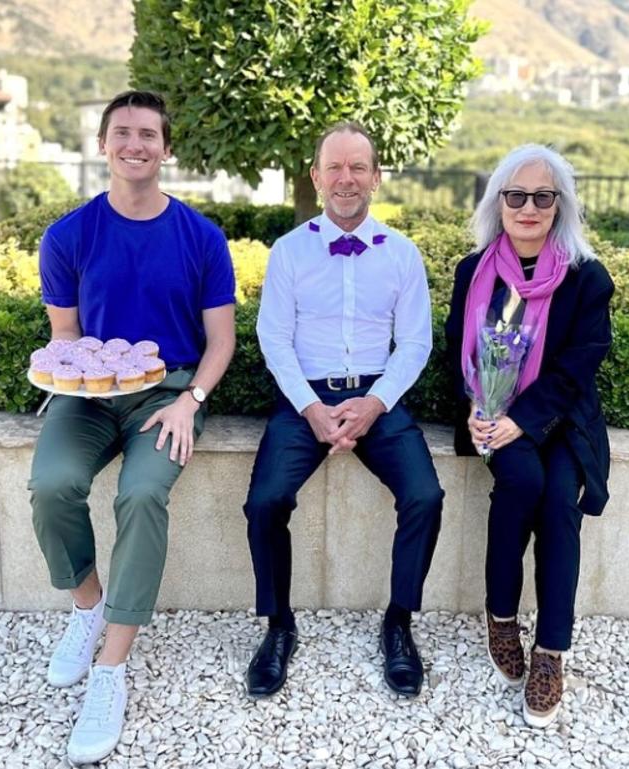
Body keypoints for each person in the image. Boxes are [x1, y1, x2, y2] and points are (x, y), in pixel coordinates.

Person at [29, 90, 236, 764]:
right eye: (122, 133)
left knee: (142, 494)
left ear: (166, 148)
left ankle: (110, 670)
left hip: (167, 395)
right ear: (103, 144)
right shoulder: (68, 236)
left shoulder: (201, 237)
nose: (135, 144)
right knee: (52, 483)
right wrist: (69, 384)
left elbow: (221, 340)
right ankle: (87, 604)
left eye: (148, 134)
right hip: (90, 392)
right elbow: (66, 336)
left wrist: (190, 400)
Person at [243, 122, 444, 699]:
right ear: (316, 176)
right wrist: (310, 408)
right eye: (335, 167)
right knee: (264, 502)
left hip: (379, 400)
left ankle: (399, 621)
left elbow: (415, 343)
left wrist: (376, 402)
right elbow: (274, 338)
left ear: (376, 177)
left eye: (359, 167)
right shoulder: (289, 251)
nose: (347, 178)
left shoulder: (402, 256)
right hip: (304, 400)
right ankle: (279, 625)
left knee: (425, 497)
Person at [444, 144, 614, 728]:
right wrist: (474, 405)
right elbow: (455, 352)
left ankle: (551, 650)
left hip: (561, 419)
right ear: (499, 201)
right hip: (492, 417)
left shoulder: (585, 277)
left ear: (560, 205)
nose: (529, 207)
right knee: (519, 481)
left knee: (558, 501)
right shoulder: (475, 272)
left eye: (544, 197)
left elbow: (580, 362)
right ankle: (498, 616)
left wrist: (525, 416)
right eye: (516, 195)